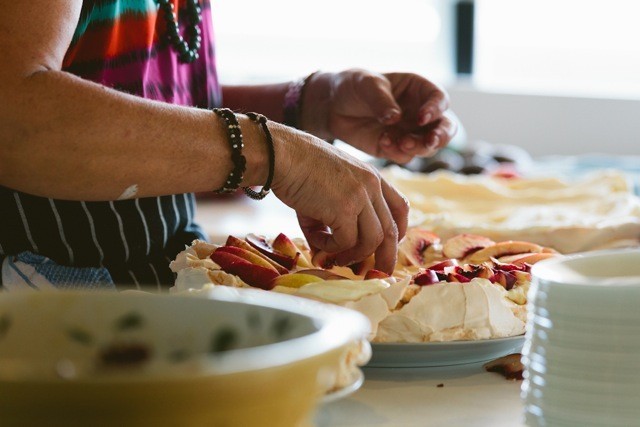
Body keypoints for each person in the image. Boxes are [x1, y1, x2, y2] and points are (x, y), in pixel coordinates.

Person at [0, 0, 456, 290]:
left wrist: (309, 108)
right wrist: (276, 154)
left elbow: (154, 107)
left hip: (149, 290)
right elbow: (14, 116)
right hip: (39, 310)